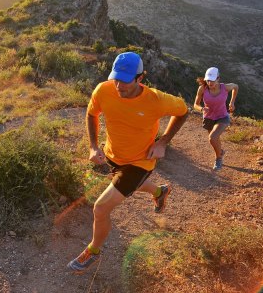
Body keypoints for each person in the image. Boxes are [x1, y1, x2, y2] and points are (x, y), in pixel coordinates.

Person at [67, 52, 188, 273]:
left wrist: (163, 142)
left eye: (125, 81)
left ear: (140, 78)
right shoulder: (103, 90)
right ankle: (160, 192)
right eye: (116, 79)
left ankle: (93, 251)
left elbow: (183, 112)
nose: (119, 86)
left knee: (101, 208)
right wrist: (93, 146)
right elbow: (91, 114)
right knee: (128, 185)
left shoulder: (156, 100)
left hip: (140, 162)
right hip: (113, 155)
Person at [193, 67, 239, 171]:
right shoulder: (202, 89)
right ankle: (220, 152)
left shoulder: (225, 88)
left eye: (212, 80)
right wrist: (201, 108)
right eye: (208, 80)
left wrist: (232, 102)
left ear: (218, 78)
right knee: (214, 140)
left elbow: (236, 86)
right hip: (209, 118)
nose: (210, 83)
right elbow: (195, 104)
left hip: (222, 116)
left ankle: (218, 158)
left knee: (212, 137)